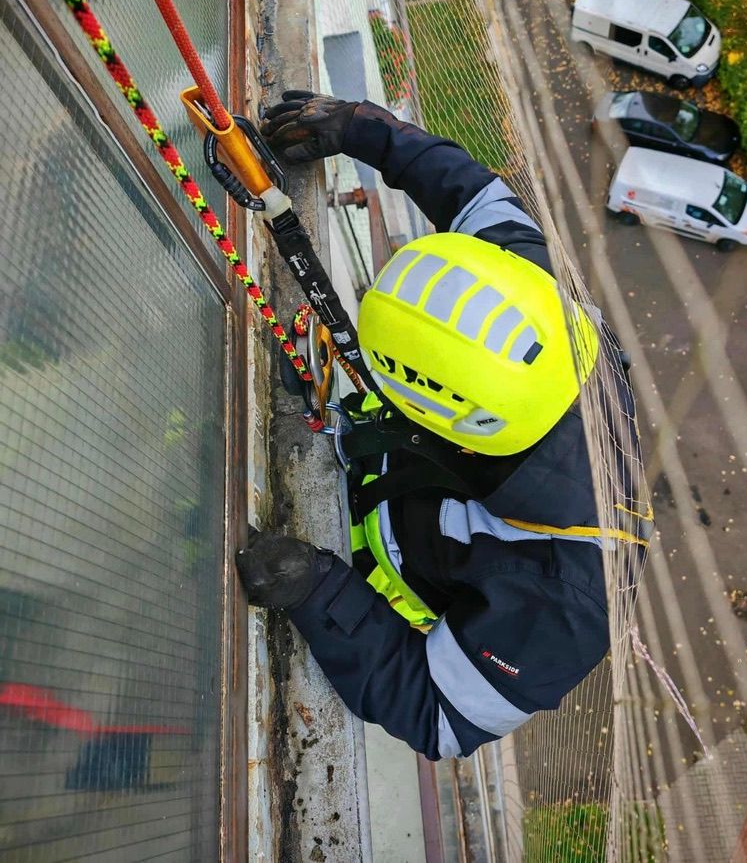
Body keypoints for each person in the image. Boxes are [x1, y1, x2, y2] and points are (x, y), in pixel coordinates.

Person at [236, 91, 650, 760]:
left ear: (458, 428)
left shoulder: (571, 601)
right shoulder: (526, 297)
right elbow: (476, 196)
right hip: (409, 474)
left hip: (393, 563)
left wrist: (318, 590)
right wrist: (363, 129)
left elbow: (438, 716)